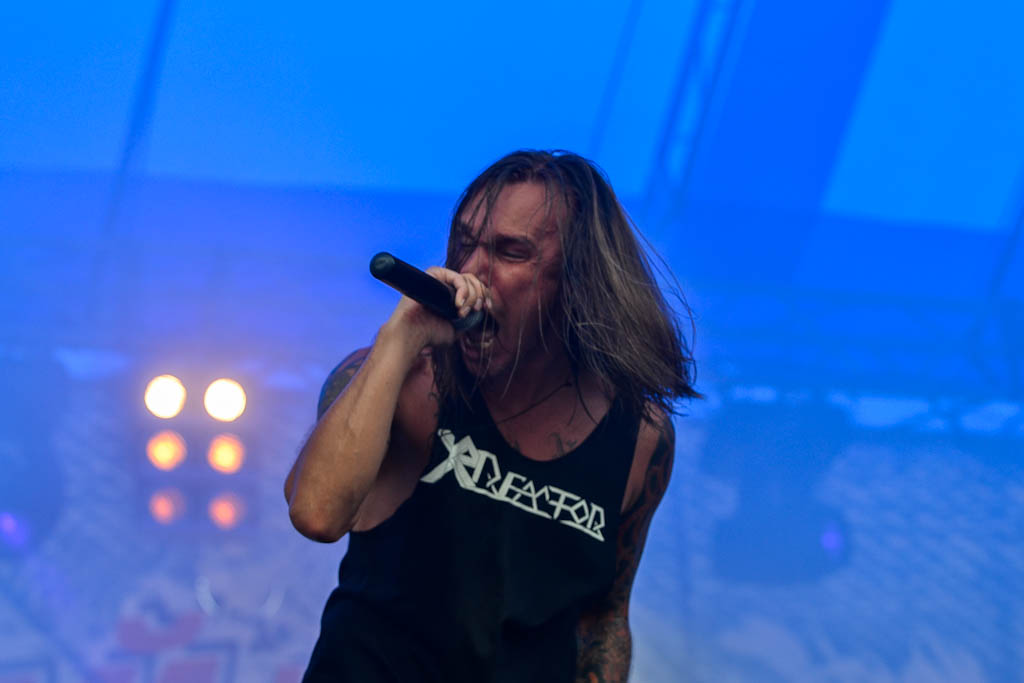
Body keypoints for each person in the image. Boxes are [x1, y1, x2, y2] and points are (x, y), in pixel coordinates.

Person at [285, 149, 702, 682]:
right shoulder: (405, 383)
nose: (473, 272)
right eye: (465, 243)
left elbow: (604, 618)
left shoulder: (640, 437)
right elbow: (316, 514)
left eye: (511, 252)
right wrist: (400, 337)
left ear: (577, 282)